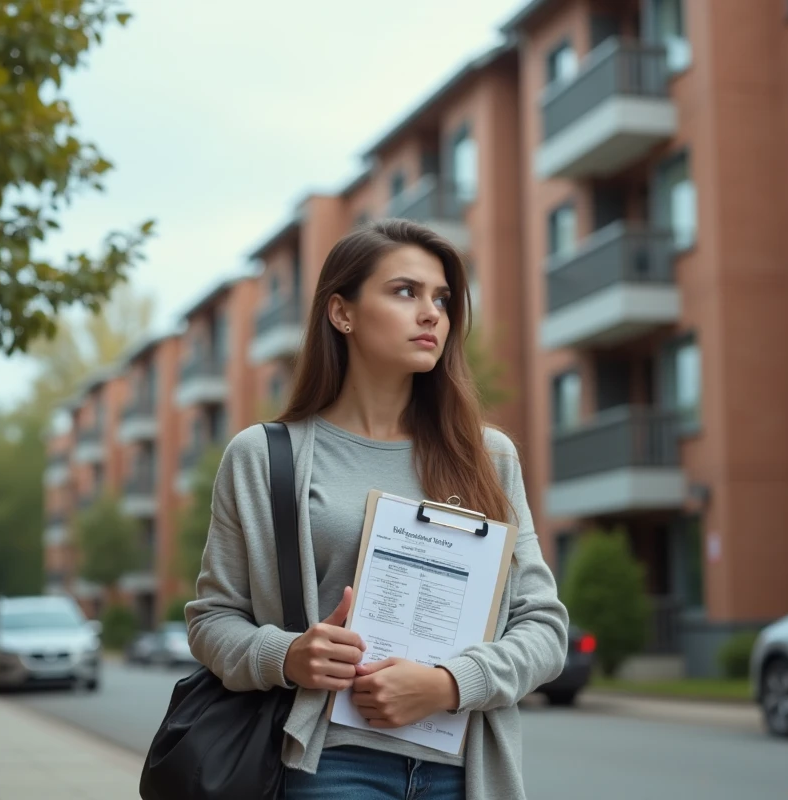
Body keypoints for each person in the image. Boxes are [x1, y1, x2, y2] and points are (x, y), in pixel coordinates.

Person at [186, 219, 570, 800]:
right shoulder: (264, 457)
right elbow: (212, 620)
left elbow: (544, 628)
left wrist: (448, 684)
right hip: (331, 768)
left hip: (466, 773)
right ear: (342, 313)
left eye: (441, 298)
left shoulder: (488, 456)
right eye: (405, 292)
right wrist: (286, 655)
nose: (432, 314)